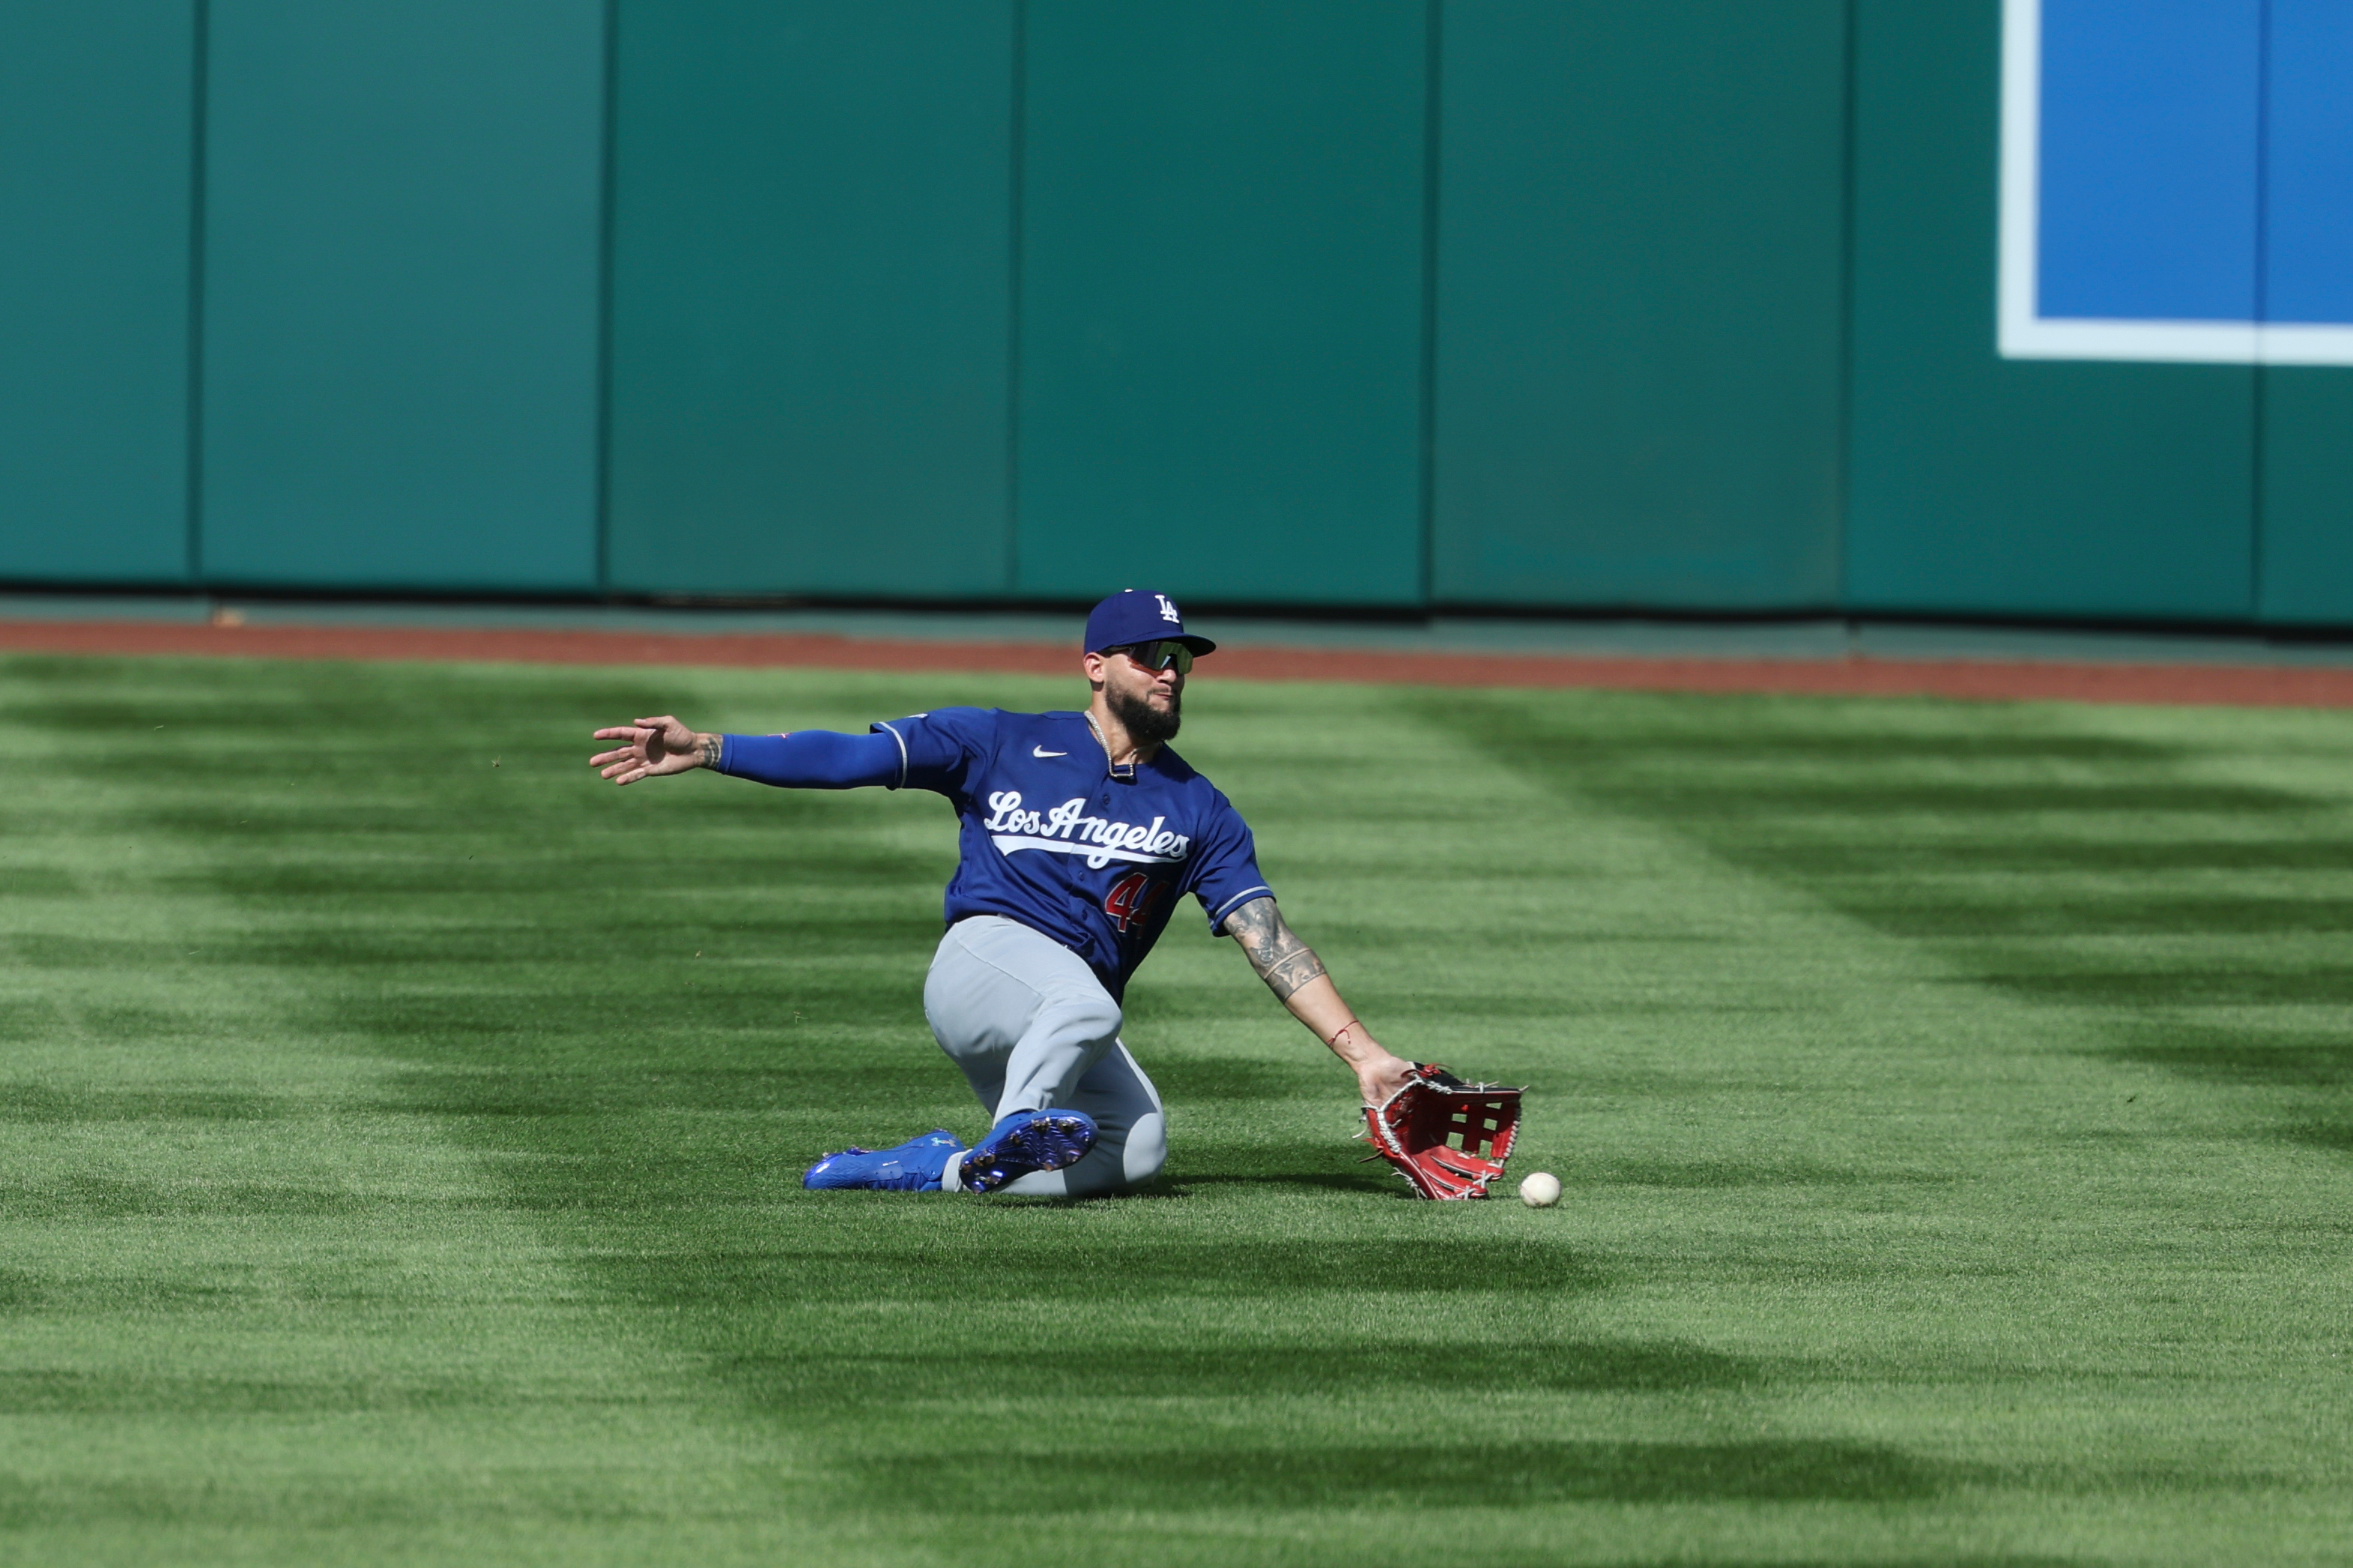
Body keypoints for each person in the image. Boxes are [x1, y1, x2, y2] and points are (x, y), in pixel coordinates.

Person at [587, 590, 1415, 1196]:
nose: (1171, 672)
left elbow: (1269, 939)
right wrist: (709, 747)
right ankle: (1021, 1120)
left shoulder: (1200, 807)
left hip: (1053, 1014)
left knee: (1137, 1151)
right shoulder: (998, 739)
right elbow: (846, 757)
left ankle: (928, 1166)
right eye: (1151, 656)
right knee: (1091, 1008)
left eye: (1181, 659)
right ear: (1096, 667)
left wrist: (1365, 1054)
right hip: (983, 962)